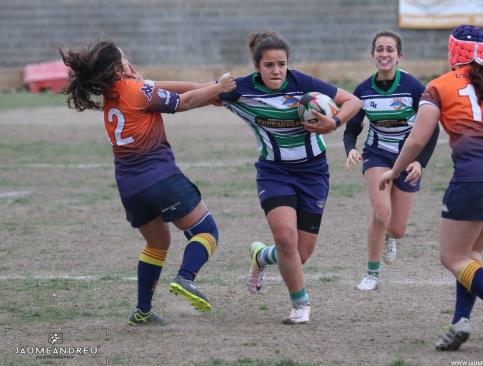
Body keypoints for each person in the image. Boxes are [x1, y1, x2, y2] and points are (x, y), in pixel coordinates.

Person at [379, 25, 483, 350]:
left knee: (452, 257)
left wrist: (394, 170)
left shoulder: (438, 87)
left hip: (474, 177)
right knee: (470, 255)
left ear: (453, 52)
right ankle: (459, 324)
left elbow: (419, 138)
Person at [60, 41, 237, 325]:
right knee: (206, 231)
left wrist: (210, 86)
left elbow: (174, 87)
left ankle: (143, 310)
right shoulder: (135, 90)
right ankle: (186, 278)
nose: (131, 62)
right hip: (161, 178)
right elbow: (184, 101)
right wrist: (218, 89)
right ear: (118, 69)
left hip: (130, 189)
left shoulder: (114, 93)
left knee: (157, 243)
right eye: (126, 58)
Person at [218, 31, 362, 324]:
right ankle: (300, 306)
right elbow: (193, 91)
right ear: (257, 66)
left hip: (313, 172)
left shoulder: (303, 83)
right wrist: (146, 88)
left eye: (281, 64)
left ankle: (261, 256)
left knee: (300, 254)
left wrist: (332, 122)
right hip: (274, 172)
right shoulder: (241, 89)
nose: (277, 70)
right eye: (269, 65)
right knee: (286, 240)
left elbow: (353, 102)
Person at [343, 30, 439, 291]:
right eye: (380, 49)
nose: (384, 54)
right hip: (377, 154)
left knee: (397, 229)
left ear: (399, 56)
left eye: (389, 50)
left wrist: (421, 162)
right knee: (381, 212)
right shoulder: (363, 90)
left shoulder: (413, 87)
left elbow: (432, 127)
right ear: (372, 54)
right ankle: (372, 273)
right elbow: (352, 127)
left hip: (408, 157)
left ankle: (388, 236)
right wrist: (351, 148)